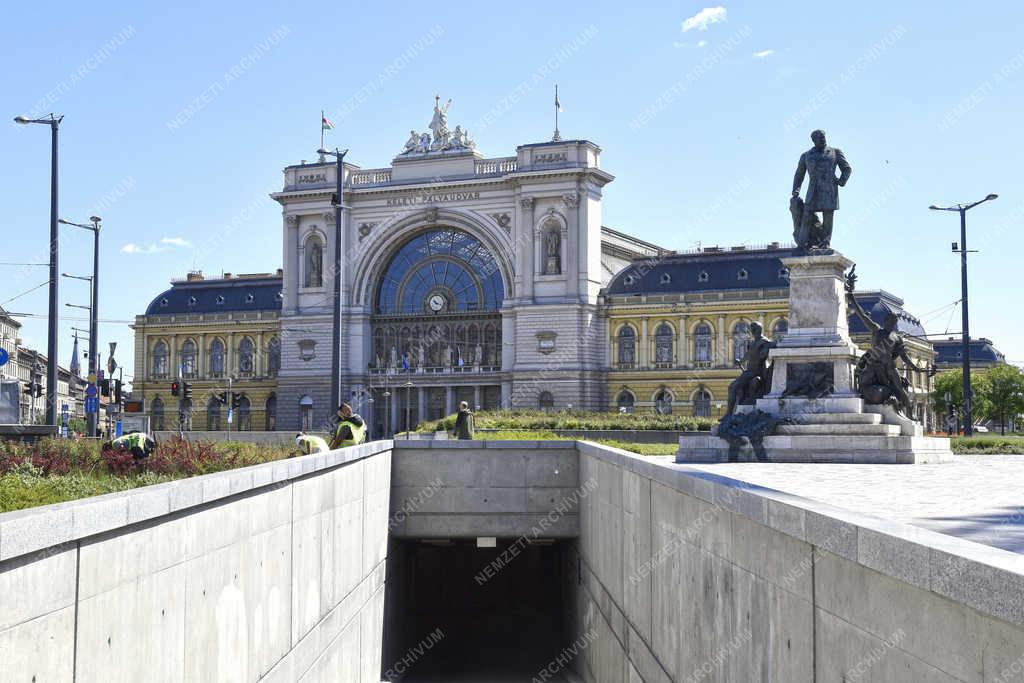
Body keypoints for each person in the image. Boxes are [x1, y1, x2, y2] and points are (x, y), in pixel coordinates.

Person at [792, 129, 852, 250]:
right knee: (806, 216)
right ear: (814, 141)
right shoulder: (806, 155)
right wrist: (796, 189)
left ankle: (825, 243)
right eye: (820, 139)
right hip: (813, 190)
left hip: (829, 190)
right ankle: (802, 245)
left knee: (828, 218)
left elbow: (847, 168)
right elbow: (799, 174)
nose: (823, 140)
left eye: (824, 138)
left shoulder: (835, 152)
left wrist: (841, 181)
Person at [724, 322, 776, 416]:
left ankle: (728, 414)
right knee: (732, 387)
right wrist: (741, 360)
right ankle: (729, 414)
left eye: (753, 329)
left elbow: (775, 344)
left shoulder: (764, 342)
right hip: (749, 372)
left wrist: (765, 350)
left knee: (733, 387)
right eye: (752, 329)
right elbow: (749, 355)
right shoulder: (753, 343)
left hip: (756, 373)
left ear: (758, 330)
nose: (752, 332)